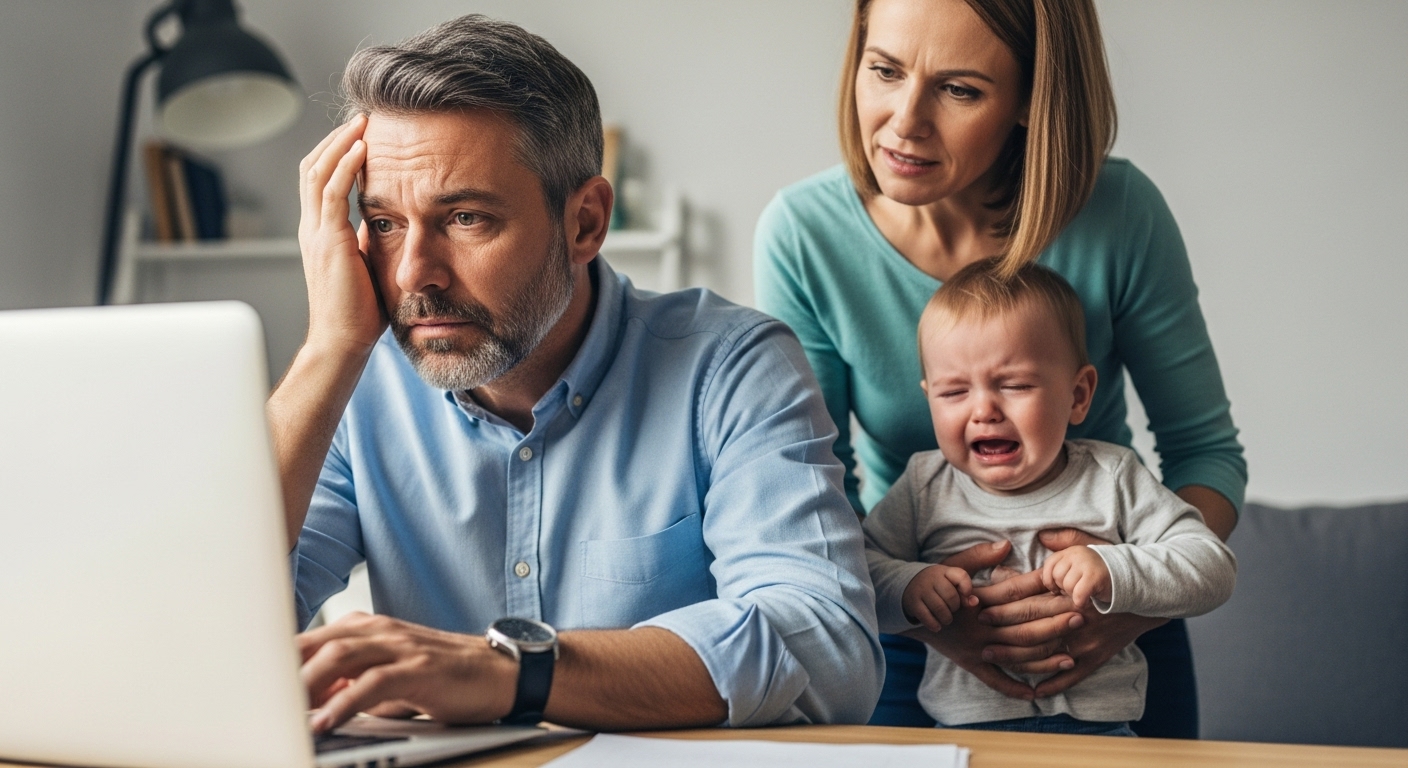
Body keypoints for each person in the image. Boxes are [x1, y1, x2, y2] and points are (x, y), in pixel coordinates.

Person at [266, 14, 883, 734]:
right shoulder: (359, 388)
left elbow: (827, 647)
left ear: (585, 222)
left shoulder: (730, 367)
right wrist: (329, 350)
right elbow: (207, 621)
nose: (413, 275)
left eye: (465, 218)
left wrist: (508, 673)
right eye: (385, 223)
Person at [753, 0, 1246, 737]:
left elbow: (1205, 453)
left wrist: (1126, 602)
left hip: (1121, 624)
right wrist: (929, 613)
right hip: (914, 628)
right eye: (884, 70)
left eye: (960, 89)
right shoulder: (804, 235)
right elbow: (815, 497)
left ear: (1031, 99)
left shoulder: (1121, 213)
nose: (905, 122)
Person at [863, 258, 1236, 736]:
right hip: (966, 734)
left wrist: (1114, 569)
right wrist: (909, 585)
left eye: (1015, 385)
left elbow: (1213, 566)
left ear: (1078, 395)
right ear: (928, 397)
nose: (983, 410)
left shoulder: (1113, 477)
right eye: (953, 392)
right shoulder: (923, 485)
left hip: (1100, 735)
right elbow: (853, 575)